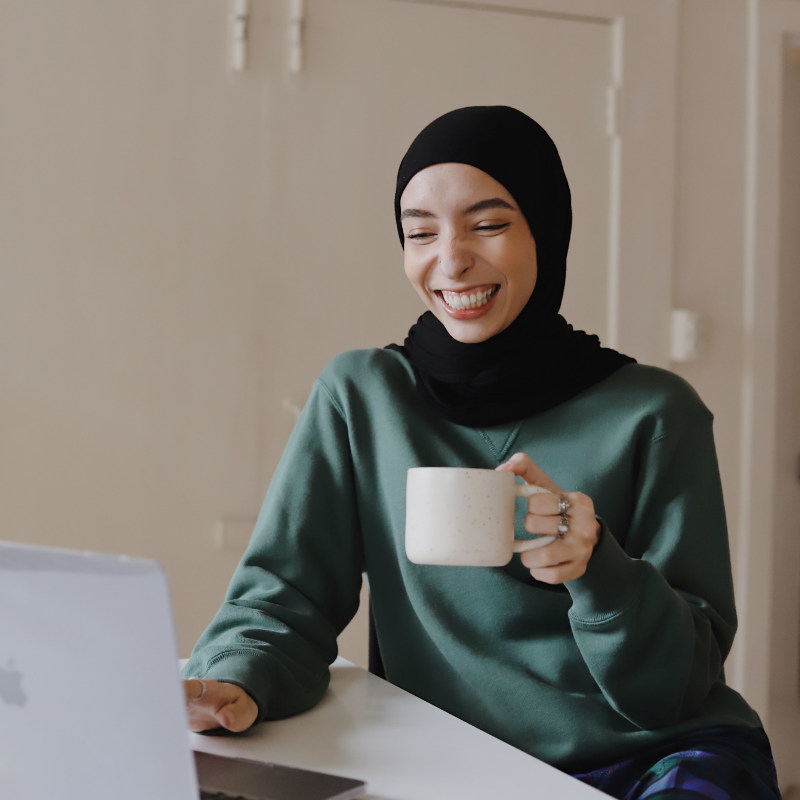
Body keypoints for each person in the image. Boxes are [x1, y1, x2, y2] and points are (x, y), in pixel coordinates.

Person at [182, 106, 781, 799]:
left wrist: (600, 571)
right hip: (452, 763)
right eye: (421, 233)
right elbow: (282, 602)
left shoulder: (654, 411)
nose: (451, 258)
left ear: (546, 232)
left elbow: (678, 689)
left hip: (654, 757)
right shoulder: (362, 396)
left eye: (488, 224)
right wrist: (232, 681)